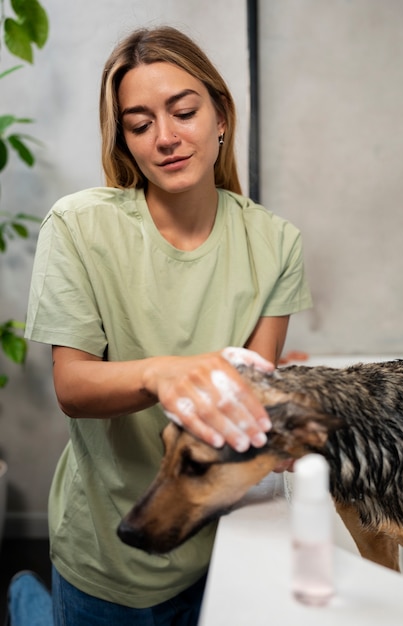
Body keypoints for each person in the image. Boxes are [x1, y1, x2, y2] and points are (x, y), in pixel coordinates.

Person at [25, 25, 312, 626]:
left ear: (221, 115)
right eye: (139, 124)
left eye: (184, 111)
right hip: (108, 552)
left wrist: (282, 426)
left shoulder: (276, 243)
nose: (167, 138)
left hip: (214, 544)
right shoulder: (78, 227)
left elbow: (251, 401)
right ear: (125, 141)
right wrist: (165, 373)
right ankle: (29, 601)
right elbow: (74, 389)